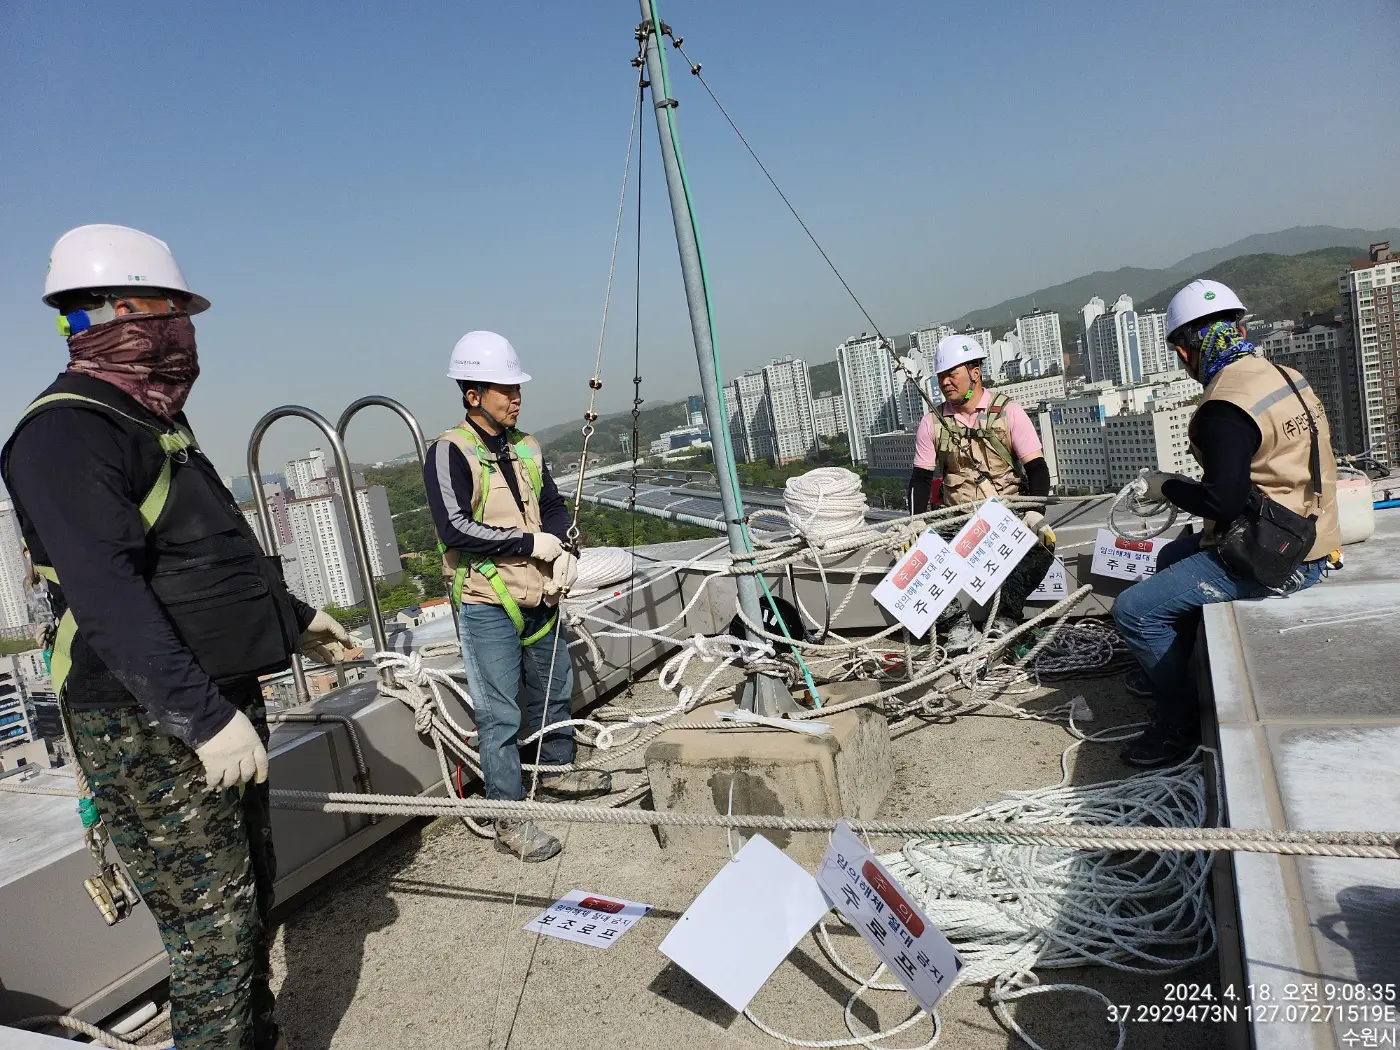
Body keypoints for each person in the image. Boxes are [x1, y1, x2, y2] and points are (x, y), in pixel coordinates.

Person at [1, 224, 351, 1050]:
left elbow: (207, 549)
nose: (183, 335)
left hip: (210, 697)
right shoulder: (66, 433)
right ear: (117, 315)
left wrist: (296, 620)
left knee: (250, 895)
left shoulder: (150, 420)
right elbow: (108, 594)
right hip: (146, 718)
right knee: (213, 932)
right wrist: (199, 717)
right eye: (170, 313)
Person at [1112, 279, 1341, 767]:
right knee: (1173, 556)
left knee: (1135, 611)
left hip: (1280, 560)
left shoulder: (1224, 406)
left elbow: (1221, 500)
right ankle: (1171, 667)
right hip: (1309, 534)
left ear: (1183, 350)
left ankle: (1177, 725)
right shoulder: (1283, 373)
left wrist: (1164, 486)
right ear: (1237, 327)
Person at [423, 331, 610, 863]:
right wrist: (531, 542)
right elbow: (455, 528)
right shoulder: (449, 451)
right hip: (487, 598)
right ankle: (509, 816)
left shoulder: (526, 446)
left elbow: (551, 504)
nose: (515, 397)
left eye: (517, 387)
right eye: (504, 388)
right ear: (472, 394)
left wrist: (563, 546)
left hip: (541, 589)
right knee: (500, 711)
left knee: (552, 688)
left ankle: (556, 771)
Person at [908, 335, 1056, 650]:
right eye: (941, 376)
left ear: (975, 371)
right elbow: (921, 479)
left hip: (1008, 514)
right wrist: (915, 521)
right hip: (958, 519)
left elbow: (1038, 468)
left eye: (952, 373)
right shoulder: (932, 423)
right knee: (908, 556)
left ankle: (1005, 618)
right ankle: (957, 628)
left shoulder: (1008, 412)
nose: (945, 382)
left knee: (1043, 543)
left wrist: (1035, 512)